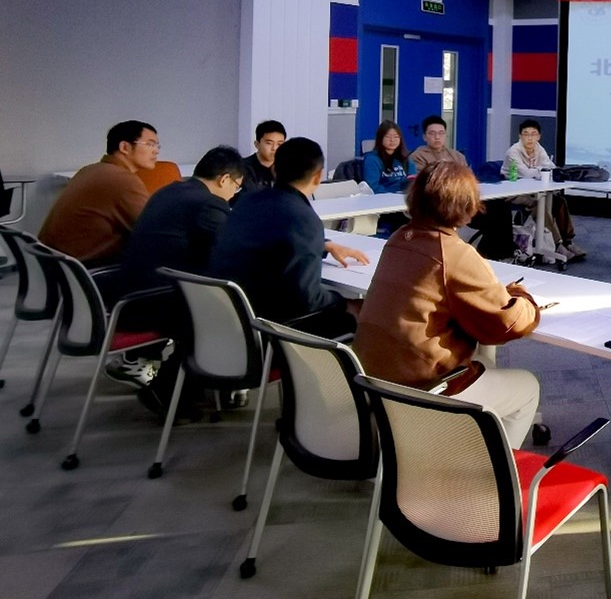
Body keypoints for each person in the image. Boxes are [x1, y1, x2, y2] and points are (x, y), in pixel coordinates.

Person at [353, 162, 541, 447]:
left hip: (375, 380)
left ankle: (464, 447)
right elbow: (508, 322)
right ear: (467, 205)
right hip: (422, 387)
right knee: (527, 387)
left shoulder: (398, 238)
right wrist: (523, 297)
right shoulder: (454, 253)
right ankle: (495, 470)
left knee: (484, 365)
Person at [112, 146, 247, 411]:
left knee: (211, 299)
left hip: (128, 294)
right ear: (224, 179)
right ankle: (170, 391)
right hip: (155, 302)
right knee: (227, 310)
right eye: (237, 186)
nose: (234, 194)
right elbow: (230, 252)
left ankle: (192, 388)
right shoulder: (209, 203)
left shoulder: (168, 191)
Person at [209, 137, 367, 339]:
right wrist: (345, 302)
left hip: (228, 315)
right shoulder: (303, 218)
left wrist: (324, 245)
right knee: (359, 316)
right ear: (318, 177)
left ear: (274, 169)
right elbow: (307, 298)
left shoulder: (247, 202)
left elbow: (268, 241)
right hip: (268, 326)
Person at [39, 120, 158, 266]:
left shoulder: (90, 170)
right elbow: (151, 230)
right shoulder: (121, 179)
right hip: (89, 269)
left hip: (57, 266)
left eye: (157, 146)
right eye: (150, 144)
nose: (156, 150)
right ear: (124, 147)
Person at [410, 115, 517, 260]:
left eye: (441, 133)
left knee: (500, 206)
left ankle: (501, 255)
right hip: (441, 205)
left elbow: (469, 179)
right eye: (432, 133)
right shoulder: (418, 157)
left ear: (446, 135)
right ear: (424, 137)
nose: (437, 137)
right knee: (493, 218)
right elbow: (426, 184)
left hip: (464, 201)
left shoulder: (456, 155)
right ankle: (490, 255)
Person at [500, 119, 585, 260]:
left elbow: (551, 167)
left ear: (539, 136)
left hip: (533, 189)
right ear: (520, 136)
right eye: (526, 134)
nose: (530, 138)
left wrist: (539, 170)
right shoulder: (513, 152)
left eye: (533, 134)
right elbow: (526, 174)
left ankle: (568, 241)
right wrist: (541, 170)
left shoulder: (539, 149)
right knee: (538, 204)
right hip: (513, 191)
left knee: (559, 201)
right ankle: (558, 245)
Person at [363, 120, 415, 194]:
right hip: (383, 197)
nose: (392, 140)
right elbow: (372, 187)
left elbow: (413, 181)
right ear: (380, 138)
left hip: (404, 197)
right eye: (388, 137)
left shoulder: (406, 159)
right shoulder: (372, 160)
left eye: (396, 137)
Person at [238, 120, 286, 196]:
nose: (274, 148)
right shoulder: (241, 168)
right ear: (257, 144)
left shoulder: (287, 168)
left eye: (279, 144)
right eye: (269, 143)